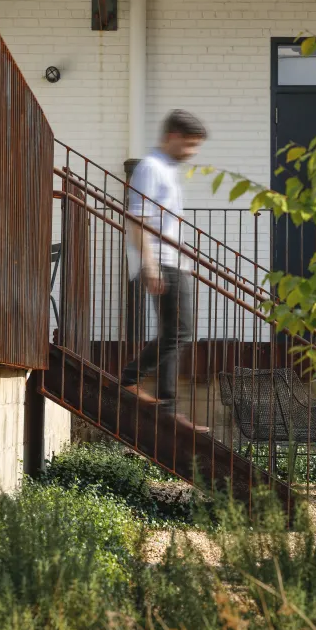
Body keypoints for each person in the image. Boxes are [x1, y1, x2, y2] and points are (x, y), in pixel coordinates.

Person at [121, 109, 209, 432]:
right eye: (188, 145)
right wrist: (149, 263)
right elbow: (137, 218)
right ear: (172, 136)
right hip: (161, 261)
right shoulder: (151, 168)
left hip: (173, 262)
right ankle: (135, 382)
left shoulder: (166, 170)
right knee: (179, 332)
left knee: (177, 332)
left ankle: (166, 405)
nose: (191, 153)